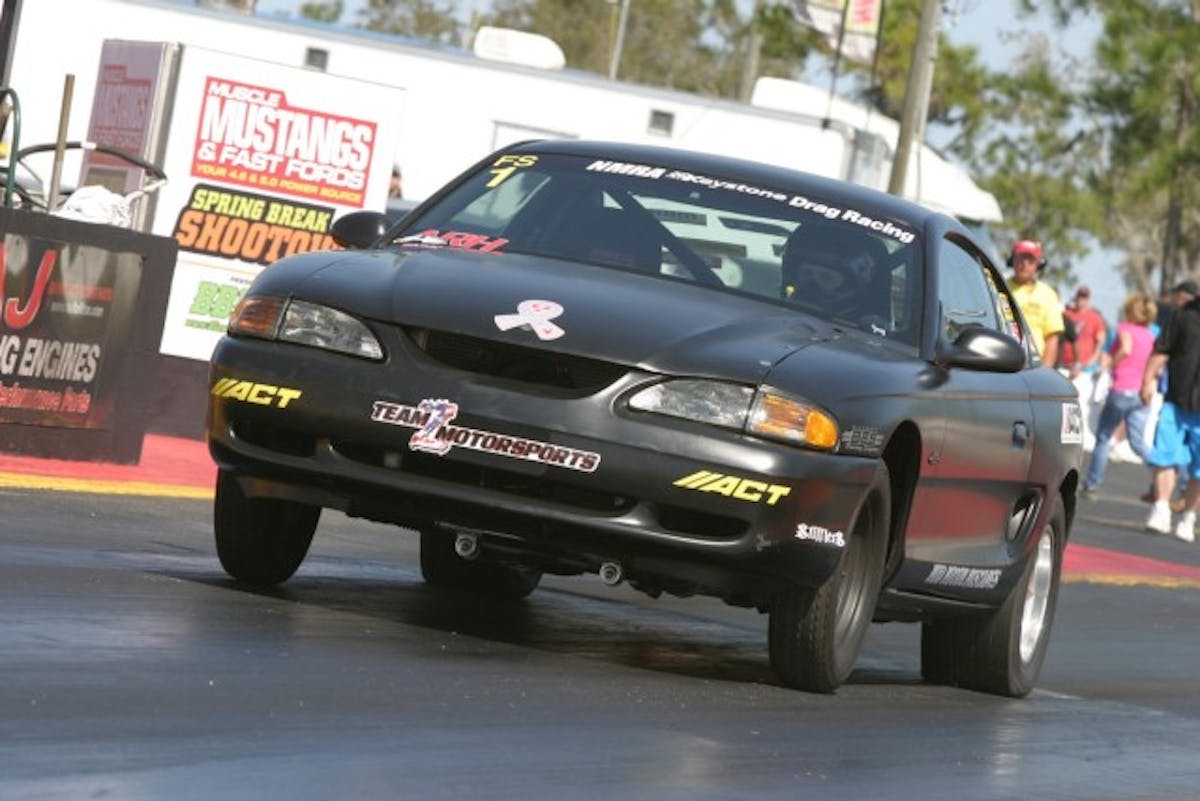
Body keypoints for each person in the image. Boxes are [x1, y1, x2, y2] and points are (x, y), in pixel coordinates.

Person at [1080, 292, 1157, 498]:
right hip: (1141, 393)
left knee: (1104, 437)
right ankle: (1162, 476)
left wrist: (1109, 364)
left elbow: (1126, 348)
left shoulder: (1124, 329)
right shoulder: (1151, 335)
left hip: (1122, 389)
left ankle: (1092, 484)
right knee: (1138, 442)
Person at [1141, 284, 1200, 540]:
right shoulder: (1183, 315)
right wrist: (1147, 380)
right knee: (1164, 455)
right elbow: (1162, 348)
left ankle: (1188, 517)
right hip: (1175, 401)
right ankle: (1161, 508)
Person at [779, 222, 886, 321]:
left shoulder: (865, 333)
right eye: (807, 273)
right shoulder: (768, 303)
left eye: (827, 278)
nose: (812, 283)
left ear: (849, 287)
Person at [1059, 285, 1108, 451]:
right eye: (1080, 297)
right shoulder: (1067, 315)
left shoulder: (1094, 318)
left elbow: (1100, 340)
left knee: (1079, 403)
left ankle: (1075, 438)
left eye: (1085, 298)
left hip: (1083, 367)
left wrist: (1092, 359)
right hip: (1064, 363)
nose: (1082, 301)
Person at [1006, 239, 1064, 368]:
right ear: (1012, 260)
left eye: (1030, 260)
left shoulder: (1048, 294)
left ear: (1039, 264)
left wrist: (1045, 371)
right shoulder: (998, 286)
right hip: (1002, 360)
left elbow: (1052, 337)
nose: (1024, 264)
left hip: (1033, 365)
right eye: (1021, 258)